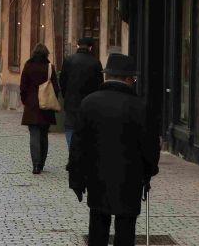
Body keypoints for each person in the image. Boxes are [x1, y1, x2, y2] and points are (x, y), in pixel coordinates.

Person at [68, 53, 159, 246]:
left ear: (107, 76)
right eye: (133, 79)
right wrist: (149, 172)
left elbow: (78, 145)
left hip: (97, 177)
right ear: (128, 79)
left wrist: (76, 178)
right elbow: (150, 146)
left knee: (98, 225)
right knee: (126, 228)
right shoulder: (140, 106)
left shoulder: (89, 103)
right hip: (130, 178)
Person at [19, 43, 59, 174]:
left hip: (31, 105)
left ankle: (35, 164)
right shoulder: (49, 67)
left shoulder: (28, 66)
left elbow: (23, 86)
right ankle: (41, 163)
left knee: (34, 135)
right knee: (44, 135)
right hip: (46, 105)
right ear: (46, 54)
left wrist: (25, 100)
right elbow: (56, 88)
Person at [58, 36, 103, 148]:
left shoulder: (68, 60)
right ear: (90, 48)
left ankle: (72, 152)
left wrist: (66, 96)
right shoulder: (96, 63)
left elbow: (62, 82)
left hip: (71, 102)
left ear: (77, 46)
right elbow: (100, 85)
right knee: (87, 129)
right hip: (90, 103)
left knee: (70, 127)